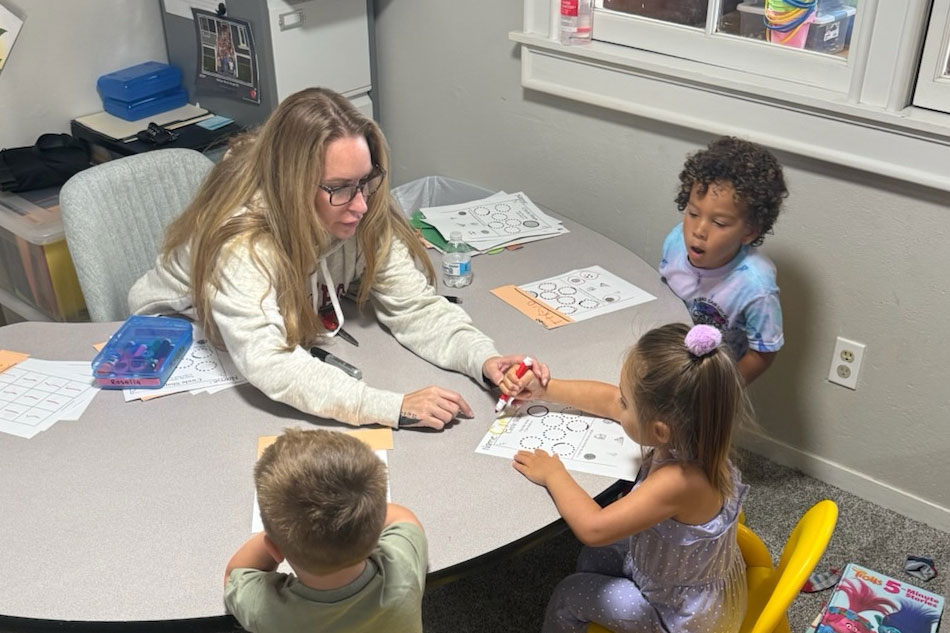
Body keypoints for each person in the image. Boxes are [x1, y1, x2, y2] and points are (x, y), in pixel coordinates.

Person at [129, 87, 544, 429]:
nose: (361, 205)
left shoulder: (359, 207)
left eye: (366, 181)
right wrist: (391, 406)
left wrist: (483, 359)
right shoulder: (242, 242)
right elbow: (271, 362)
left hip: (270, 331)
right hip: (179, 341)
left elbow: (415, 308)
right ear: (292, 186)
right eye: (340, 188)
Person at [506, 323, 750, 633]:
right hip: (681, 575)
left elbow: (594, 528)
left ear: (659, 430)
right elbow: (608, 399)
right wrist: (545, 389)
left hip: (675, 616)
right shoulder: (699, 432)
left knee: (570, 593)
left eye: (625, 403)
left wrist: (554, 474)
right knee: (597, 556)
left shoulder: (679, 480)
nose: (617, 404)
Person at [224, 428, 426, 633]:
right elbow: (403, 517)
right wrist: (364, 510)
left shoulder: (265, 610)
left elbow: (233, 574)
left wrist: (278, 532)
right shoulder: (403, 566)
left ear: (274, 549)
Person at [659, 136, 788, 383]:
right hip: (670, 365)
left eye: (718, 223)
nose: (698, 231)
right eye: (693, 213)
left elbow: (764, 352)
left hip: (714, 381)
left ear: (749, 232)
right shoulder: (675, 241)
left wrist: (723, 391)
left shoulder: (757, 287)